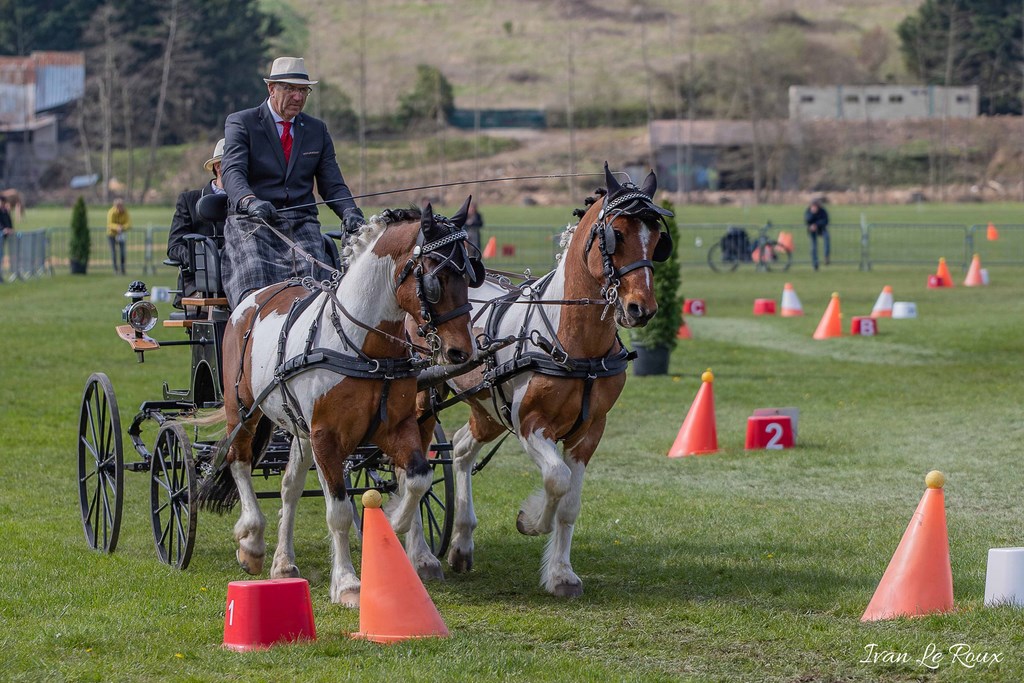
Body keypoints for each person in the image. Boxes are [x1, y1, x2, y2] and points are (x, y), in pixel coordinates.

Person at [220, 56, 364, 308]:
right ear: (271, 88)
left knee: (318, 290)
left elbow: (332, 183)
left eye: (303, 90)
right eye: (289, 89)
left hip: (302, 224)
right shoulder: (242, 122)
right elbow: (232, 171)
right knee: (256, 293)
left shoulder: (317, 130)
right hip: (253, 223)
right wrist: (249, 201)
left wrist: (349, 211)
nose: (298, 97)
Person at [167, 138, 227, 308]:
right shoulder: (190, 200)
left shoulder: (249, 202)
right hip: (199, 284)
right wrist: (201, 261)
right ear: (218, 167)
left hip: (243, 282)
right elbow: (174, 246)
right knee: (216, 307)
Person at [106, 198, 131, 274]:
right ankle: (115, 269)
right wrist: (117, 227)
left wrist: (122, 227)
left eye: (122, 206)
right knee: (113, 252)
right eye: (119, 206)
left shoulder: (125, 212)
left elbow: (129, 223)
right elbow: (109, 224)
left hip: (121, 235)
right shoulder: (111, 212)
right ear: (115, 206)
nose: (121, 207)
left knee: (122, 252)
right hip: (111, 235)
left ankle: (123, 269)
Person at [804, 198, 830, 271]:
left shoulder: (823, 211)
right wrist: (812, 213)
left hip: (822, 229)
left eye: (815, 206)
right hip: (812, 231)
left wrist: (816, 225)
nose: (814, 207)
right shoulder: (808, 211)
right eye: (813, 206)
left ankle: (826, 256)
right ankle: (815, 264)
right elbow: (807, 220)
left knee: (827, 237)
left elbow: (825, 220)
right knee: (813, 247)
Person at [0, 197, 13, 281]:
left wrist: (10, 229)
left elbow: (9, 222)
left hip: (3, 238)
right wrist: (3, 229)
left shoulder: (5, 211)